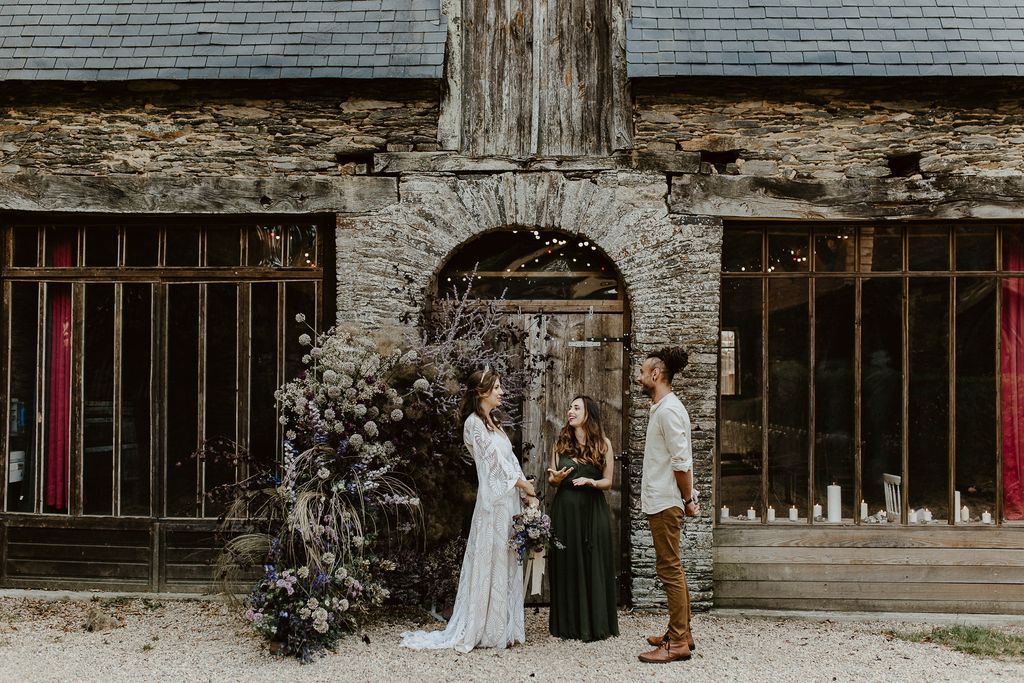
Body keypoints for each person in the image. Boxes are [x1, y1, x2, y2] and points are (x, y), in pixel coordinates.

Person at [400, 367, 538, 653]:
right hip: (493, 504)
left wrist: (524, 489)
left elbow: (509, 460)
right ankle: (486, 629)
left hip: (508, 500)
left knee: (507, 559)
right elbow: (491, 465)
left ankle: (504, 627)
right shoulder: (473, 424)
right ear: (482, 392)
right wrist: (522, 485)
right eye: (497, 387)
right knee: (492, 559)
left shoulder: (494, 421)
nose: (502, 392)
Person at [635, 347, 700, 664]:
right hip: (661, 499)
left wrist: (688, 499)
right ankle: (682, 632)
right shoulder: (662, 408)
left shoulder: (669, 410)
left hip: (666, 502)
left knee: (670, 569)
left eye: (642, 371)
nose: (639, 376)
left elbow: (681, 461)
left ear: (656, 375)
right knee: (672, 567)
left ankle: (676, 643)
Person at [546, 395, 619, 642]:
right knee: (567, 562)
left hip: (593, 510)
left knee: (593, 560)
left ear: (589, 413)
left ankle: (596, 623)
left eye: (576, 408)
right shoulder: (560, 443)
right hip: (565, 511)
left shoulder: (604, 444)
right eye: (569, 407)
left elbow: (609, 482)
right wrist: (555, 479)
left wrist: (592, 481)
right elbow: (552, 478)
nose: (570, 411)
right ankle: (568, 625)